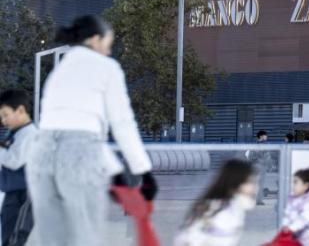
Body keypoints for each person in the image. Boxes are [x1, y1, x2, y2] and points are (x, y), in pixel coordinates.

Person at [27, 14, 157, 246]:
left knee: (51, 241)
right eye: (109, 43)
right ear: (96, 39)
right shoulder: (107, 67)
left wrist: (115, 170)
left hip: (40, 154)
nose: (109, 51)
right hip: (80, 155)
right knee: (83, 237)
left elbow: (67, 133)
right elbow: (121, 123)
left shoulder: (59, 71)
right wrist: (143, 170)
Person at [174, 158, 258, 246]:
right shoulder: (223, 212)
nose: (255, 187)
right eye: (250, 182)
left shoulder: (231, 208)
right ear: (236, 182)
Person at [0, 89, 38, 245]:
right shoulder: (17, 133)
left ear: (21, 110)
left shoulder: (29, 134)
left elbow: (14, 161)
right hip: (13, 190)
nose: (3, 120)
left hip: (26, 192)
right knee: (7, 231)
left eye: (5, 115)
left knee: (16, 235)